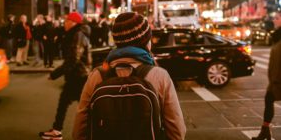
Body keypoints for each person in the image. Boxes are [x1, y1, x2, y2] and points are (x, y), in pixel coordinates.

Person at [72, 12, 186, 140]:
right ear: (145, 42)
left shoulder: (97, 76)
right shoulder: (159, 76)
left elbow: (79, 129)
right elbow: (177, 131)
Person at [39, 12, 91, 140]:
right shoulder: (75, 34)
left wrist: (55, 74)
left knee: (84, 107)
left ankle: (59, 130)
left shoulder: (77, 35)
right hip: (77, 75)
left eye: (67, 21)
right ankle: (57, 130)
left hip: (78, 76)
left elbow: (73, 58)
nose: (65, 23)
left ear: (73, 22)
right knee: (70, 103)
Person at [252, 11, 281, 140]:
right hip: (275, 80)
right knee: (268, 100)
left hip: (278, 80)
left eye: (277, 18)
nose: (274, 20)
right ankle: (265, 131)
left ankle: (264, 132)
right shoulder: (277, 36)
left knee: (269, 100)